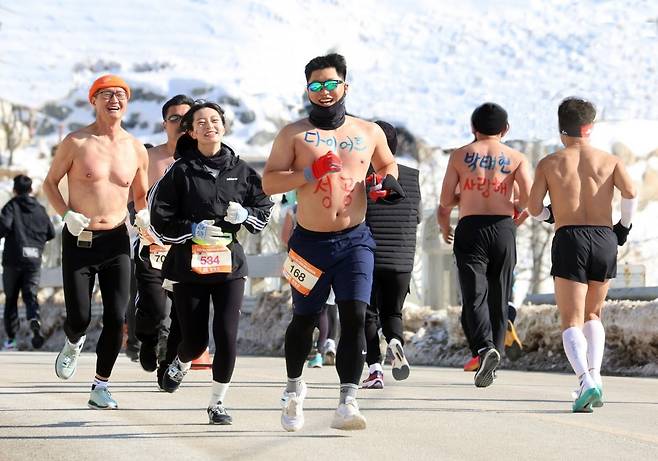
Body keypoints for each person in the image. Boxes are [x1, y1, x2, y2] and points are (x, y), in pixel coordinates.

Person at [262, 53, 402, 431]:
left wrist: (381, 183)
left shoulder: (368, 131)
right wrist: (309, 172)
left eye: (331, 84)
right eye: (316, 85)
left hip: (355, 240)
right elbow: (269, 182)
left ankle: (348, 401)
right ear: (307, 89)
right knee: (304, 319)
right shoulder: (292, 133)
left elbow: (388, 165)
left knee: (355, 315)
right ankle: (293, 391)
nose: (324, 92)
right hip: (308, 244)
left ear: (345, 86)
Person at [149, 101, 272, 424]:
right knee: (195, 341)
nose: (209, 126)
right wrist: (190, 230)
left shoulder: (242, 170)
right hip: (190, 265)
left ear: (224, 126)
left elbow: (264, 208)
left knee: (227, 335)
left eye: (215, 120)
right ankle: (181, 362)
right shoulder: (180, 171)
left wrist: (246, 215)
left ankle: (217, 403)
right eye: (200, 122)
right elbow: (159, 219)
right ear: (190, 131)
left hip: (229, 264)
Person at [43, 74, 150, 409]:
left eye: (121, 94)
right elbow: (49, 183)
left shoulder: (135, 148)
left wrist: (143, 215)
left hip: (116, 238)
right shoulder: (76, 142)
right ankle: (74, 340)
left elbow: (140, 194)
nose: (114, 100)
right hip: (79, 237)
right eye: (106, 95)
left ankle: (100, 386)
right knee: (80, 316)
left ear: (127, 102)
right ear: (93, 100)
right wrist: (66, 214)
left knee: (117, 317)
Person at [528, 97, 636, 412]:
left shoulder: (550, 162)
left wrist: (551, 216)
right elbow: (630, 192)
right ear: (591, 126)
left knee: (571, 319)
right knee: (593, 315)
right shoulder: (610, 160)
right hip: (604, 238)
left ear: (561, 128)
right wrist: (623, 228)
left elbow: (533, 208)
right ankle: (597, 377)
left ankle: (585, 381)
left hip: (570, 237)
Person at [439, 102, 531, 388]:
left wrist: (449, 219)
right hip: (503, 227)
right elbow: (529, 202)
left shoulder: (461, 155)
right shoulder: (517, 158)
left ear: (473, 129)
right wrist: (514, 218)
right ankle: (497, 352)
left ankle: (483, 348)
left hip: (471, 228)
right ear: (506, 129)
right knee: (500, 293)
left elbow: (444, 200)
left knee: (473, 294)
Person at [133, 95, 193, 381]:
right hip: (151, 244)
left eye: (186, 118)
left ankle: (167, 363)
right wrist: (139, 213)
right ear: (164, 123)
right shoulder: (149, 157)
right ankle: (146, 337)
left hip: (186, 247)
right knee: (156, 306)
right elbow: (132, 195)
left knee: (181, 311)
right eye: (174, 118)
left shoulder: (201, 160)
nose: (181, 124)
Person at [361, 120, 421, 390]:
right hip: (402, 258)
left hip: (369, 254)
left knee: (368, 314)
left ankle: (375, 370)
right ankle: (395, 342)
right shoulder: (412, 176)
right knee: (393, 312)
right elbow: (417, 217)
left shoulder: (362, 175)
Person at [1, 174, 55, 350]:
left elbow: (4, 226)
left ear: (14, 190)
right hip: (33, 261)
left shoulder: (11, 206)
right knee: (30, 295)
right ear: (31, 189)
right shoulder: (40, 209)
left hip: (13, 261)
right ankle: (34, 319)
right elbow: (51, 233)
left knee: (11, 299)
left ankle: (11, 339)